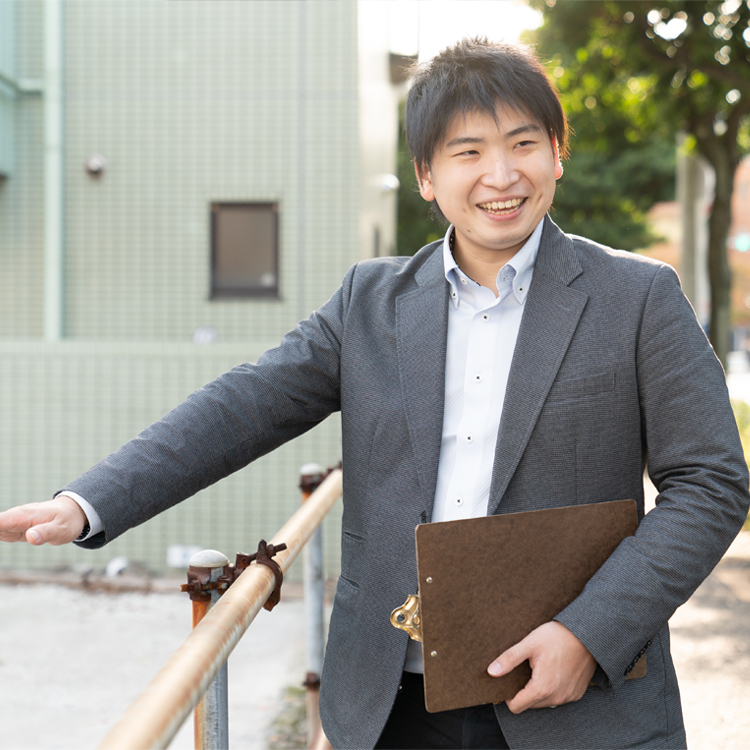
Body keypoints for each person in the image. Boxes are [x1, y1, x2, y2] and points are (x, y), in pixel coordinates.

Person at [1, 38, 748, 750]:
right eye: (468, 152)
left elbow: (711, 483)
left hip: (574, 700)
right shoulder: (372, 302)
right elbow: (245, 405)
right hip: (391, 704)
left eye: (523, 143)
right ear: (426, 176)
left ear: (558, 154)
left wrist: (591, 632)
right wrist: (87, 503)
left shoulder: (638, 297)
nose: (501, 174)